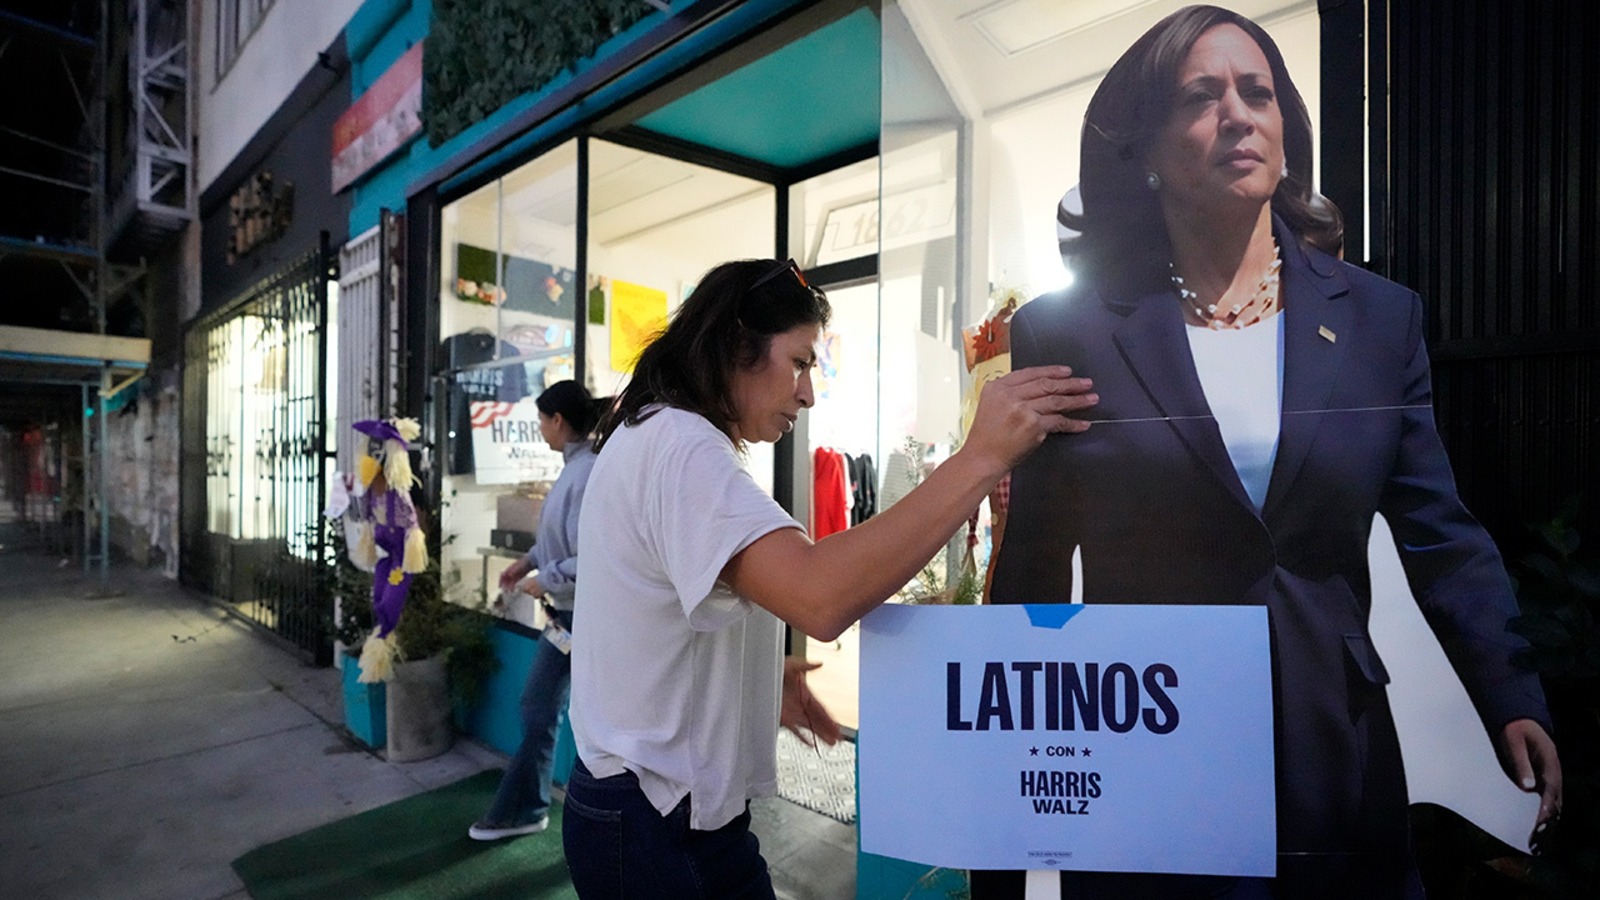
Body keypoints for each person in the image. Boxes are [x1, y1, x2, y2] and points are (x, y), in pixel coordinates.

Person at [982, 6, 1561, 899]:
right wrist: (1008, 818)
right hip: (1148, 741)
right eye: (1200, 97)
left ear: (1287, 133)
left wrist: (1509, 689)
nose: (1238, 114)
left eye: (1258, 93)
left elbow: (1439, 531)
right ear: (1145, 148)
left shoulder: (1378, 318)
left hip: (1331, 739)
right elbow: (1036, 564)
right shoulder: (1067, 331)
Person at [560, 258, 1097, 899]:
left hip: (652, 808)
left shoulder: (657, 431)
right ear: (736, 343)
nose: (808, 393)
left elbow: (676, 605)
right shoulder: (680, 444)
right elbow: (817, 594)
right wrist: (980, 457)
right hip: (659, 817)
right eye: (800, 362)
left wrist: (751, 679)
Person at [467, 380, 605, 841]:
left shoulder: (585, 474)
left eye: (542, 421)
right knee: (540, 709)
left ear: (558, 421)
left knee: (543, 709)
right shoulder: (577, 469)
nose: (541, 430)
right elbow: (562, 540)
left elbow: (595, 557)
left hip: (581, 619)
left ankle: (525, 809)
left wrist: (541, 579)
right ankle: (528, 807)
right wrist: (528, 562)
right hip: (567, 619)